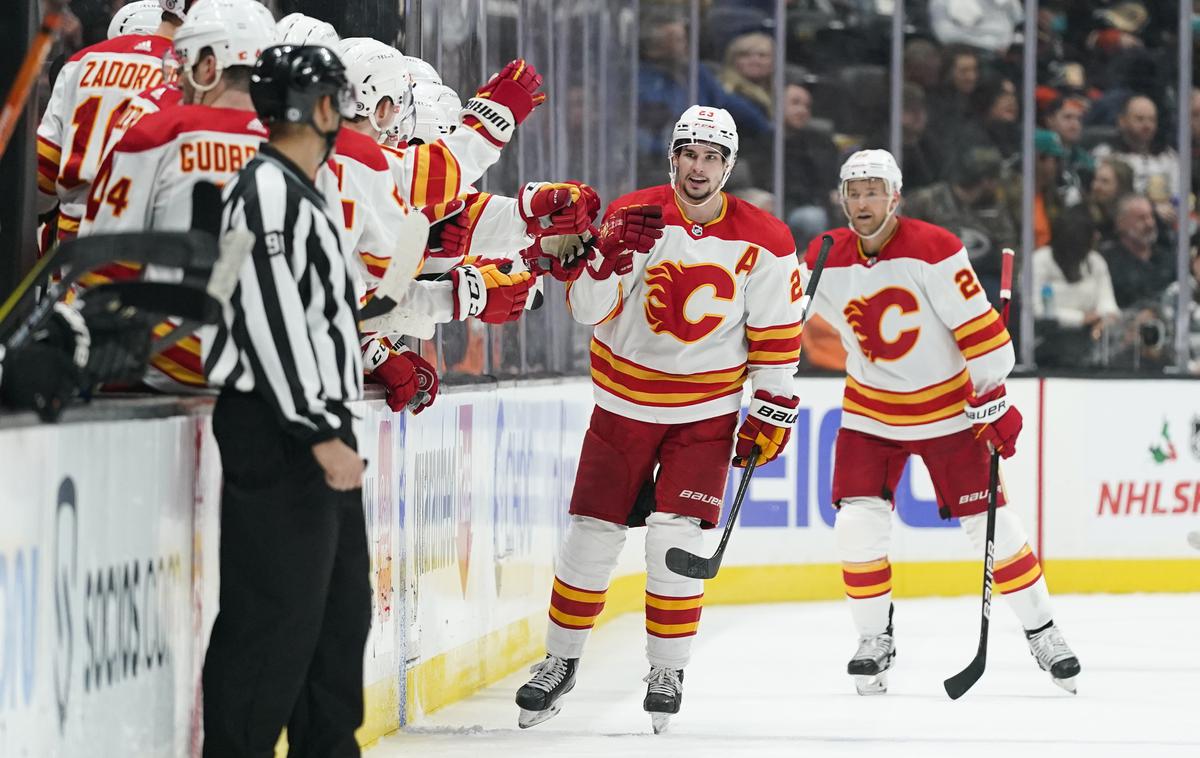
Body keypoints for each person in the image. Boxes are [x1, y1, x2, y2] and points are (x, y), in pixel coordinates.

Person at [514, 105, 803, 732]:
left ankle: (666, 668)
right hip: (621, 405)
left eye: (711, 158)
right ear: (672, 156)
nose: (698, 168)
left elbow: (777, 335)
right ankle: (558, 662)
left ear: (727, 166)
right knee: (591, 535)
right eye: (688, 154)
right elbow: (588, 310)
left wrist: (773, 406)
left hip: (705, 413)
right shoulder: (632, 214)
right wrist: (603, 258)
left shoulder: (768, 239)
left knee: (677, 543)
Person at [800, 149, 1081, 696]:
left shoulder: (933, 248)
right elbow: (781, 318)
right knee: (857, 524)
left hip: (948, 412)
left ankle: (1043, 632)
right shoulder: (825, 252)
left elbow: (986, 340)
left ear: (895, 197)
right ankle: (873, 639)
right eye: (853, 192)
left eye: (873, 191)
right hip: (870, 410)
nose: (862, 202)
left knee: (994, 528)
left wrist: (991, 394)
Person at [200, 43, 371, 758]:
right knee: (272, 618)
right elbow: (262, 314)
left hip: (311, 427)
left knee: (336, 617)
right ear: (320, 106)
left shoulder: (301, 190)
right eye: (336, 97)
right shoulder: (266, 190)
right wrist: (317, 429)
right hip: (282, 432)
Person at [78, 0, 276, 390]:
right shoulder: (299, 147)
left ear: (208, 66)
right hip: (263, 374)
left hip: (162, 360)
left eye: (185, 62)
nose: (180, 76)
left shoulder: (158, 131)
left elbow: (103, 259)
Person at [35, 0, 175, 247]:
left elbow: (42, 185)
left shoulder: (80, 62)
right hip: (145, 239)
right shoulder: (183, 72)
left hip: (74, 245)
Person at [1032, 206, 1120, 367]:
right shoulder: (1039, 261)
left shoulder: (1095, 262)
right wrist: (1080, 318)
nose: (1097, 237)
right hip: (1046, 343)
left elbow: (1108, 305)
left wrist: (1103, 319)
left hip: (1089, 340)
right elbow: (1036, 309)